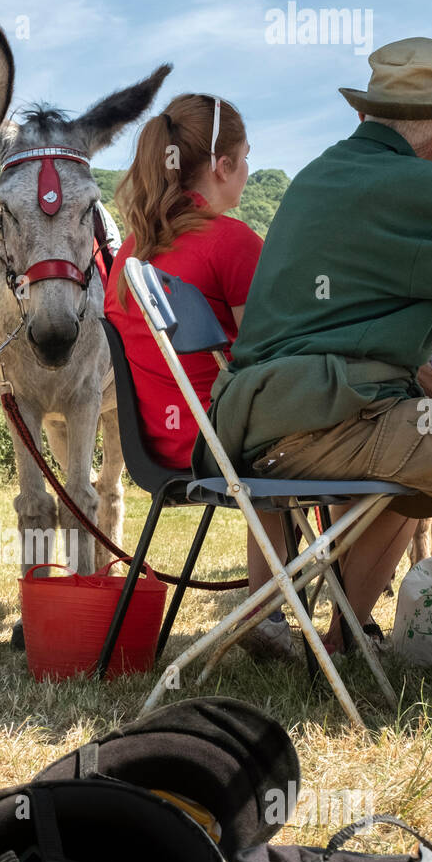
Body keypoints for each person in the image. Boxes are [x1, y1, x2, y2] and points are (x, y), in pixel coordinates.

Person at [196, 37, 432, 653]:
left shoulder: (321, 175)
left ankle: (343, 642)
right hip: (323, 424)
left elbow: (331, 320)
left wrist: (415, 371)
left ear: (366, 116)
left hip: (265, 423)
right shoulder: (418, 188)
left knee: (410, 484)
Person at [105, 93, 292, 659]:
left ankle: (273, 609)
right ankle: (289, 610)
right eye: (246, 157)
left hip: (158, 448)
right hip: (224, 447)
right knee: (322, 432)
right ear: (221, 166)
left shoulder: (129, 256)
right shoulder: (233, 242)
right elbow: (275, 358)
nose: (249, 171)